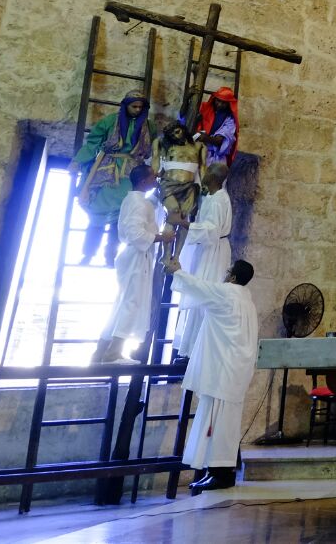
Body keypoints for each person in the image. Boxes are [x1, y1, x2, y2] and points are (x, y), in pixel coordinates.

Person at [166, 255, 256, 495]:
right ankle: (215, 471)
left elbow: (200, 287)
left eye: (227, 271)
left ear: (233, 277)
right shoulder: (246, 300)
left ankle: (220, 473)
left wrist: (178, 271)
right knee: (223, 422)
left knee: (220, 423)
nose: (224, 274)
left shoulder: (228, 293)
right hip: (234, 370)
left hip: (224, 371)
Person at [93, 164, 172, 364]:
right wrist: (163, 237)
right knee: (131, 303)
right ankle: (113, 352)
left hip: (132, 256)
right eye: (154, 177)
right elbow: (136, 234)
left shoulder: (134, 199)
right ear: (144, 181)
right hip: (136, 256)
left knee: (123, 302)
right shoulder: (139, 204)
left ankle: (102, 351)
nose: (156, 179)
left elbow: (147, 208)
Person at [72, 90, 152, 265]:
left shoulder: (148, 127)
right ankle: (88, 253)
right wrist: (78, 161)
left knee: (121, 216)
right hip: (107, 170)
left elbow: (154, 149)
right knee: (96, 213)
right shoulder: (109, 122)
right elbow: (92, 143)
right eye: (134, 106)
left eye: (140, 107)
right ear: (125, 106)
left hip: (130, 175)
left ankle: (110, 256)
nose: (137, 110)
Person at [170, 162, 232, 363]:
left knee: (202, 295)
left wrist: (183, 223)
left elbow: (211, 231)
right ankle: (191, 349)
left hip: (212, 253)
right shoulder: (213, 197)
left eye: (207, 172)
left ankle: (197, 350)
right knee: (198, 294)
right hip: (208, 249)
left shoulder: (218, 201)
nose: (203, 174)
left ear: (213, 178)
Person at [152, 122, 204, 264]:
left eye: (177, 131)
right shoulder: (163, 143)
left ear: (183, 129)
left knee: (183, 219)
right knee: (173, 212)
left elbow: (203, 166)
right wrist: (153, 173)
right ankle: (166, 254)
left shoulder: (199, 146)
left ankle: (176, 256)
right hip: (169, 183)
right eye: (172, 135)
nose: (176, 136)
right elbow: (156, 159)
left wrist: (204, 186)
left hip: (189, 186)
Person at [193, 86, 239, 168]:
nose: (220, 104)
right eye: (218, 100)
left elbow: (220, 141)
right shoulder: (203, 108)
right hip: (197, 151)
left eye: (224, 102)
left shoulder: (230, 120)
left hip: (215, 158)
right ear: (214, 99)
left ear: (229, 103)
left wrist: (206, 138)